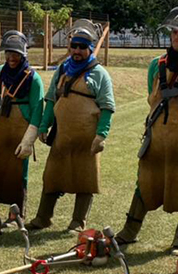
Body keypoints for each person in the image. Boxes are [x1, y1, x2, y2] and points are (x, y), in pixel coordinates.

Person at [115, 7, 178, 256]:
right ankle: (129, 232)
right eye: (173, 32)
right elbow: (151, 98)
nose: (177, 37)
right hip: (157, 135)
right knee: (145, 181)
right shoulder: (156, 65)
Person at [25, 19, 115, 233]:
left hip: (87, 138)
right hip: (62, 136)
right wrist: (43, 126)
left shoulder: (100, 74)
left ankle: (78, 222)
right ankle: (43, 218)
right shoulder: (62, 70)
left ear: (90, 49)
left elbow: (107, 107)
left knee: (85, 180)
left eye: (82, 47)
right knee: (52, 176)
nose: (77, 50)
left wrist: (101, 135)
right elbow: (50, 100)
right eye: (74, 45)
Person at [0, 30, 44, 217]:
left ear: (23, 54)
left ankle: (16, 215)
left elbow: (38, 109)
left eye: (16, 54)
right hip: (0, 129)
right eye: (8, 53)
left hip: (21, 130)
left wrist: (29, 140)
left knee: (16, 174)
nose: (12, 57)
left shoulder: (33, 77)